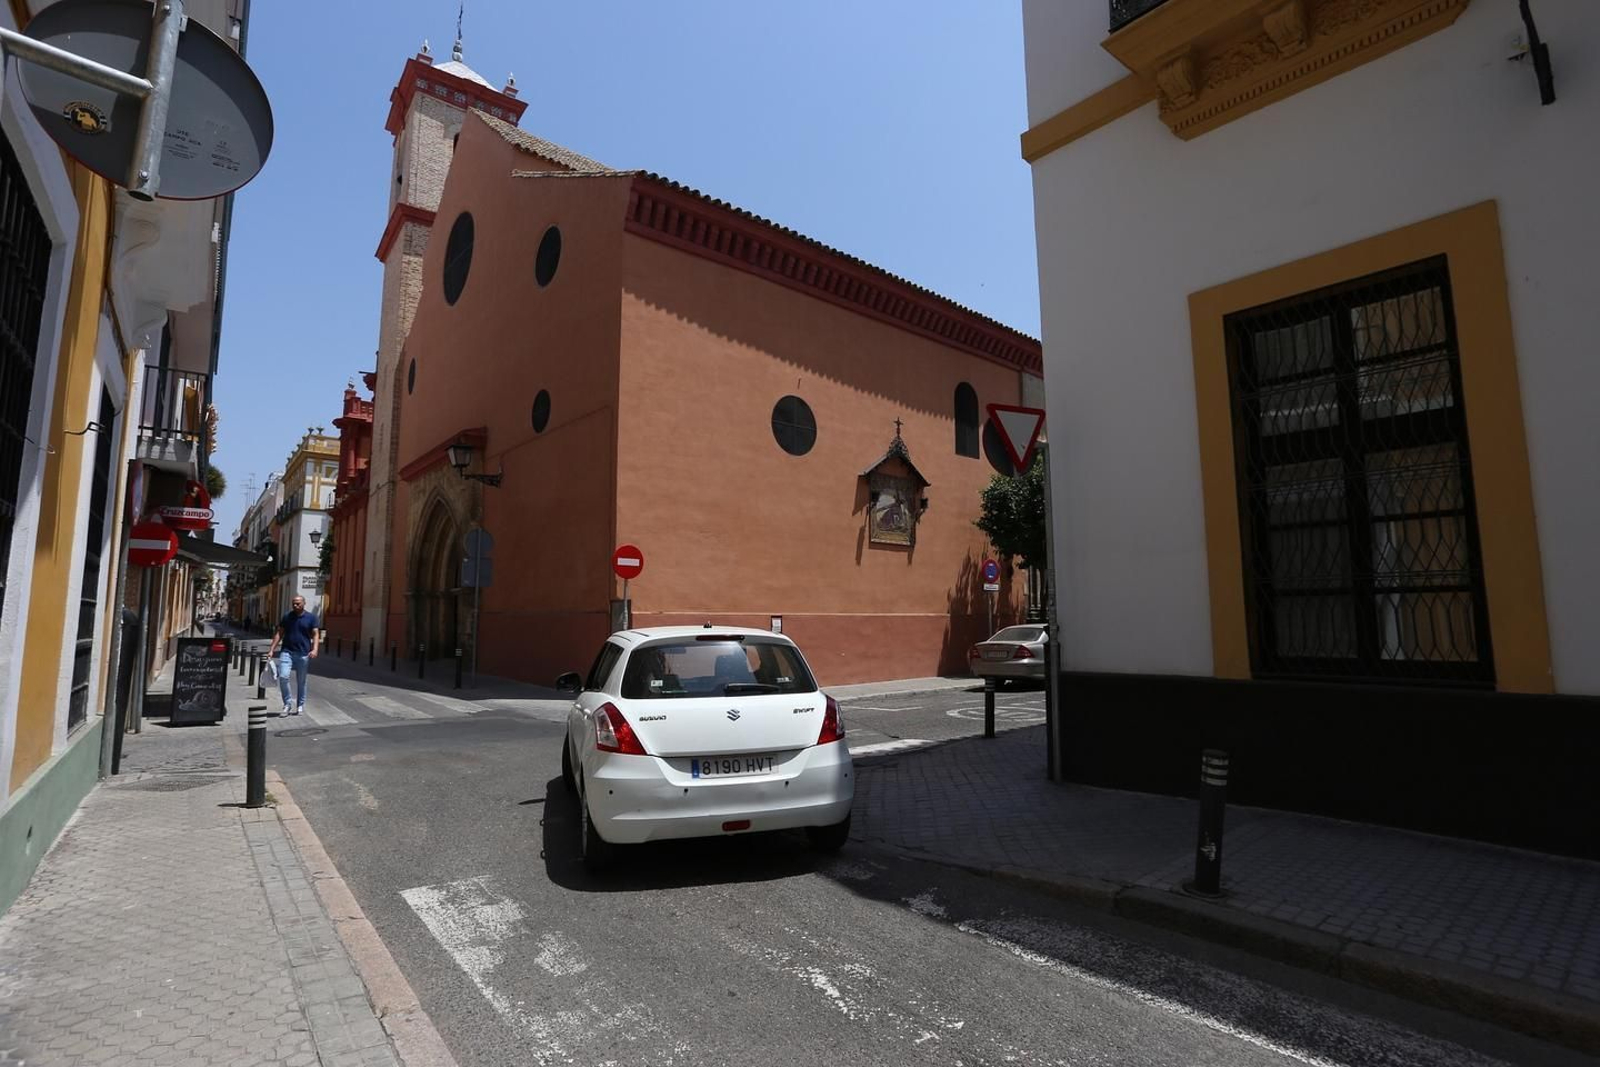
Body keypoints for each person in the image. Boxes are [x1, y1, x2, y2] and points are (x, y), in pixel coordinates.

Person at [268, 595, 320, 716]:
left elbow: (316, 634)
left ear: (304, 603)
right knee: (283, 677)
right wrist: (271, 649)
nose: (295, 605)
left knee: (301, 681)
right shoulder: (287, 617)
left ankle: (300, 705)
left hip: (303, 653)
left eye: (298, 603)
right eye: (294, 603)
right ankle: (287, 704)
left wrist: (315, 649)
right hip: (287, 652)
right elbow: (279, 633)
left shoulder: (311, 618)